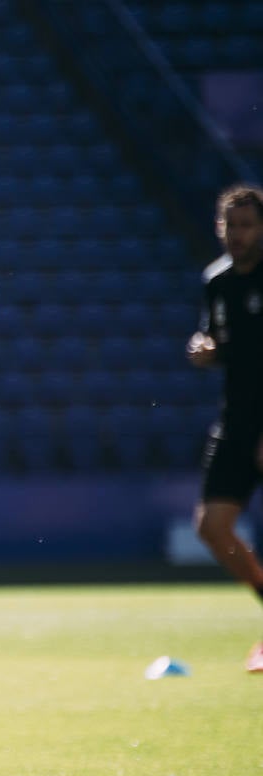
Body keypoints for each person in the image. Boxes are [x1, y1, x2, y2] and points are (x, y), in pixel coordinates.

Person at [186, 183, 263, 674]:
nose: (237, 235)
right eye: (230, 226)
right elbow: (220, 342)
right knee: (212, 527)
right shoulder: (217, 282)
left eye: (247, 225)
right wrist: (206, 352)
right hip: (237, 418)